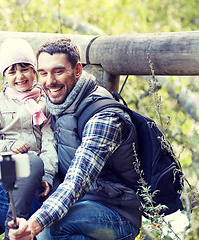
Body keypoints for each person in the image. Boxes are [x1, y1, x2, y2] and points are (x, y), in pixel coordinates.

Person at [8, 38, 142, 240]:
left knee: (47, 231)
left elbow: (76, 181)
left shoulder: (104, 118)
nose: (49, 81)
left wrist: (34, 224)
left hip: (117, 212)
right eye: (43, 73)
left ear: (78, 70)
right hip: (82, 202)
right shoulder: (55, 103)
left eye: (58, 71)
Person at [0, 38, 58, 240]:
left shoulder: (45, 100)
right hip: (7, 167)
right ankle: (20, 231)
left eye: (25, 69)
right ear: (4, 76)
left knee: (37, 173)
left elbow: (49, 141)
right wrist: (9, 146)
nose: (20, 76)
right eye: (12, 72)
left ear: (34, 71)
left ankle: (18, 232)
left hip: (38, 169)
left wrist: (47, 175)